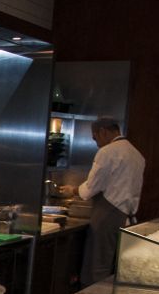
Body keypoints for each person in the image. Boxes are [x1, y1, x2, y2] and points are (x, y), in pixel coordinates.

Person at [59, 116, 145, 285]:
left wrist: (73, 190)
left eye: (95, 138)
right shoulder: (136, 153)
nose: (97, 143)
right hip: (128, 214)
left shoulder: (108, 152)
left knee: (97, 266)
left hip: (109, 215)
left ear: (103, 132)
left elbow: (93, 185)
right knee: (111, 266)